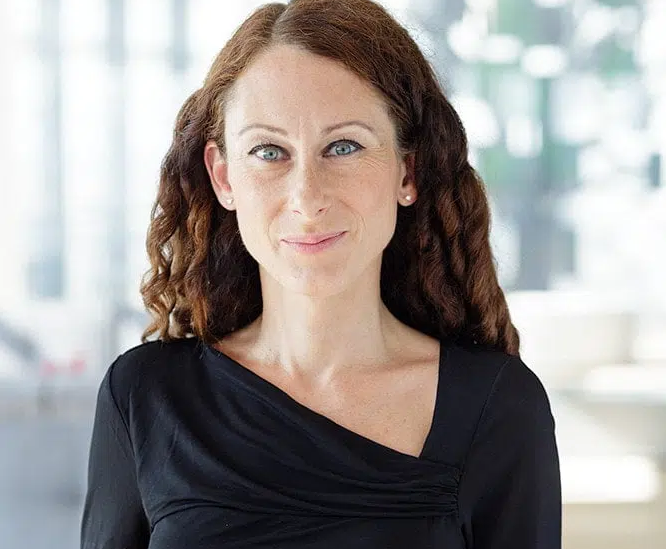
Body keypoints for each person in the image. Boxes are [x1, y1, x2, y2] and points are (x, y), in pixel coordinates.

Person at [80, 0, 561, 547]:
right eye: (269, 151)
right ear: (223, 177)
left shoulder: (498, 408)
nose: (307, 198)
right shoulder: (144, 397)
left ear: (408, 171)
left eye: (343, 147)